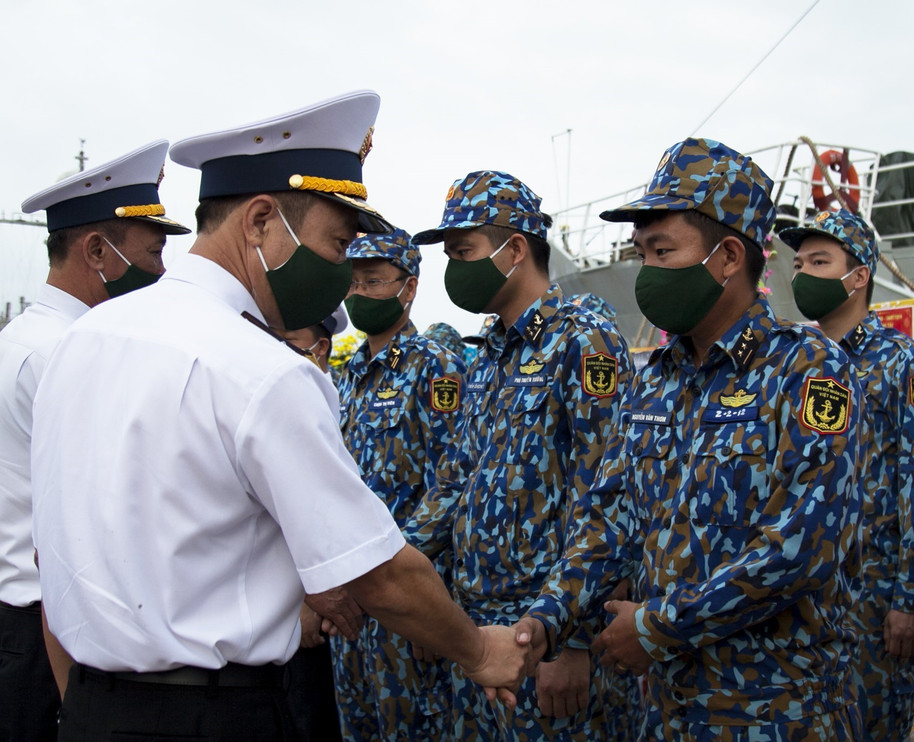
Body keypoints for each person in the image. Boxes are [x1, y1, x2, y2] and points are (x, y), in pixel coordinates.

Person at [29, 92, 532, 741]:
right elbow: (379, 574)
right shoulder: (262, 371)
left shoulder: (80, 342)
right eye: (337, 244)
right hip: (216, 717)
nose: (341, 274)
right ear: (262, 220)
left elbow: (51, 558)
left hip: (89, 710)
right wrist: (481, 651)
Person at [580, 138, 863, 739]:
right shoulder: (653, 380)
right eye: (641, 254)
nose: (647, 271)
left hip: (774, 713)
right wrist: (542, 622)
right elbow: (609, 521)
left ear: (729, 256)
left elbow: (802, 546)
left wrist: (658, 627)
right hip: (665, 710)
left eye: (662, 251)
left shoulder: (808, 369)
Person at [404, 170, 637, 740]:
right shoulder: (488, 354)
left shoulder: (583, 339)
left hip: (545, 632)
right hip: (478, 632)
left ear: (513, 250)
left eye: (463, 251)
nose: (453, 268)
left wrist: (573, 640)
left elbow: (608, 497)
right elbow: (454, 482)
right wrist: (387, 566)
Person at [0, 140, 189, 741]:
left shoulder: (21, 339)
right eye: (153, 252)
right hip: (49, 630)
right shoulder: (69, 355)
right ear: (98, 251)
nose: (161, 272)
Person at [781, 208, 914, 739]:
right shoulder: (791, 363)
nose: (803, 274)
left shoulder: (907, 364)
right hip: (797, 596)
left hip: (872, 602)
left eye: (819, 262)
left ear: (858, 277)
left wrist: (911, 602)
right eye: (799, 264)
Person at [332, 228, 465, 740]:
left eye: (373, 282)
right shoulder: (348, 374)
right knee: (358, 725)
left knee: (413, 728)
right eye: (352, 283)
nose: (359, 293)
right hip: (352, 599)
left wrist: (430, 603)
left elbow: (452, 483)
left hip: (409, 595)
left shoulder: (437, 367)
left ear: (408, 288)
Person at [282, 306, 348, 742]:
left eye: (288, 342)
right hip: (292, 609)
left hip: (334, 607)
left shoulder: (326, 402)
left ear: (320, 348)